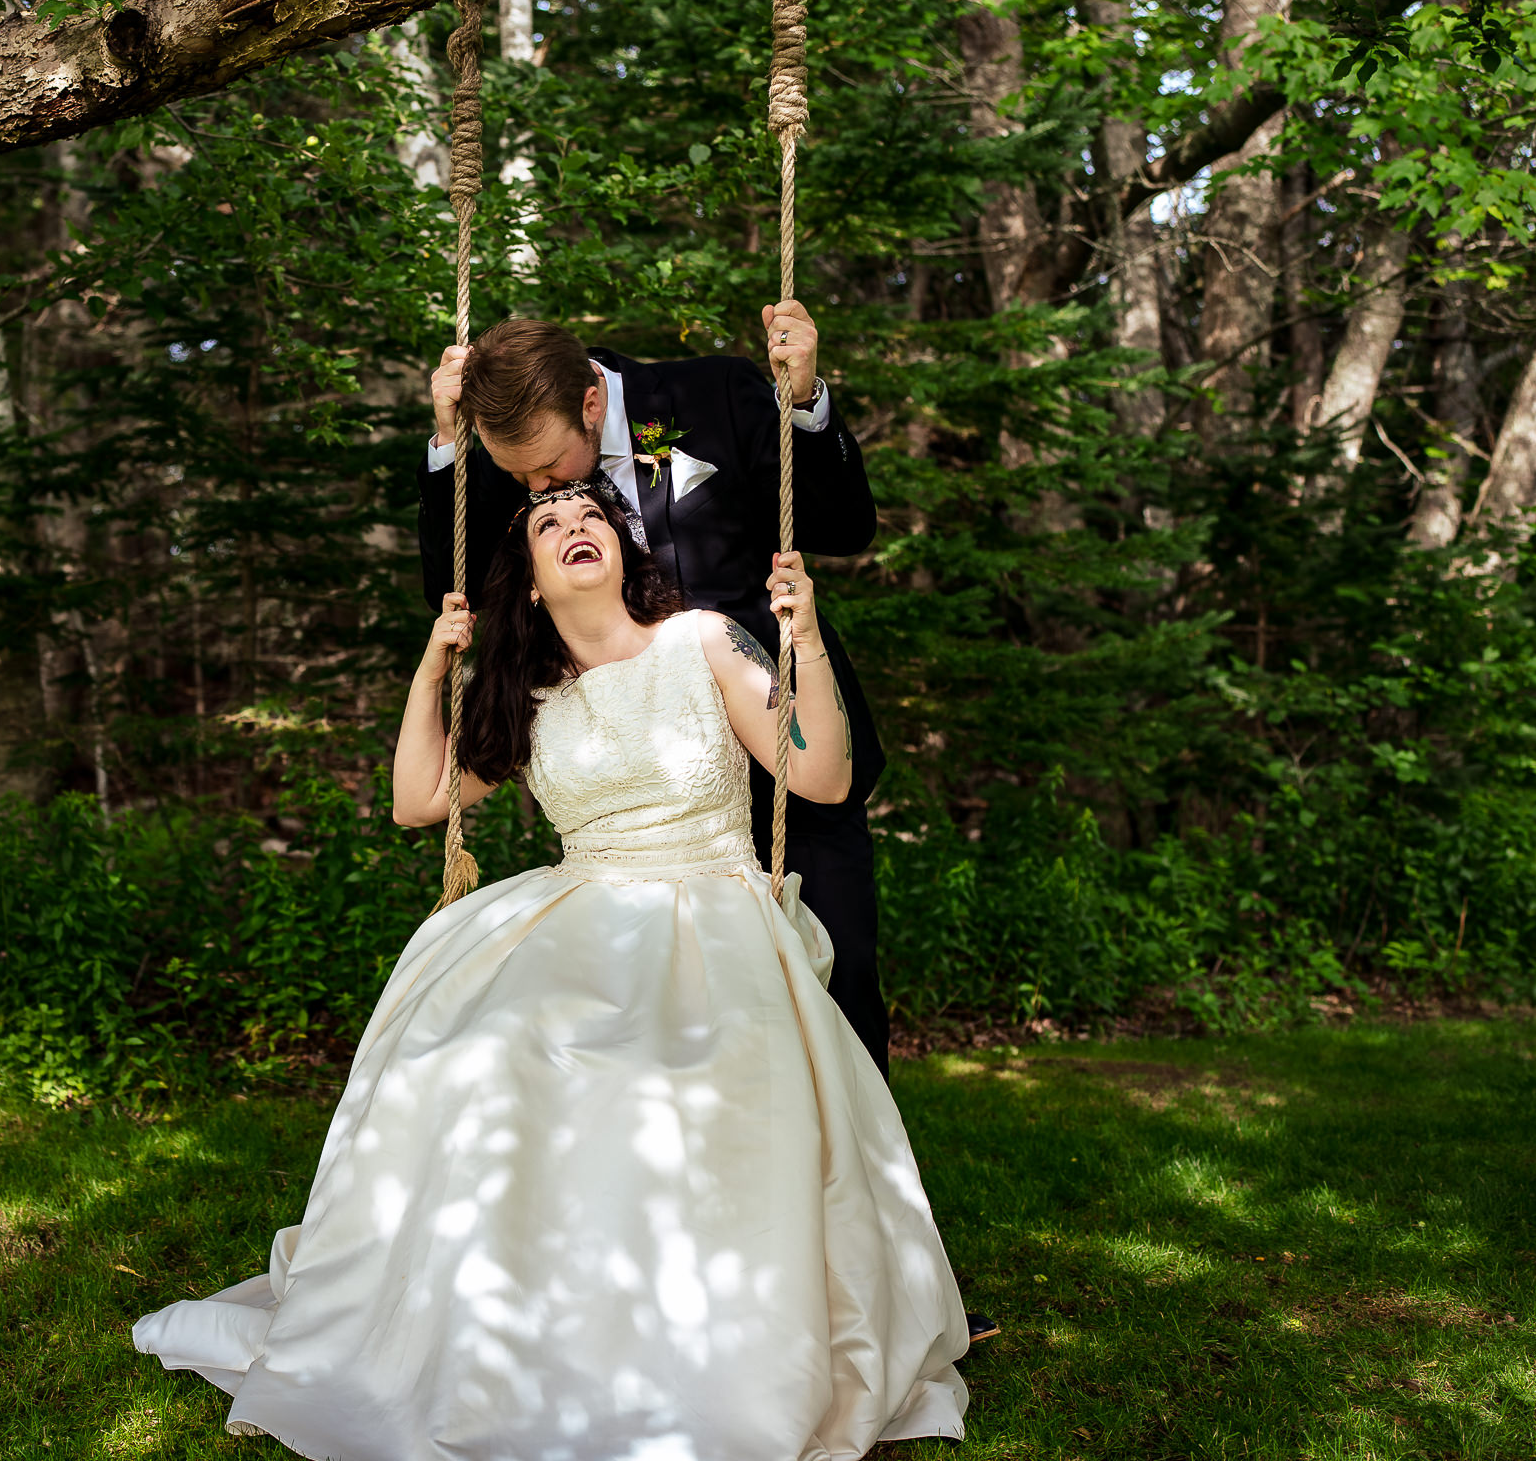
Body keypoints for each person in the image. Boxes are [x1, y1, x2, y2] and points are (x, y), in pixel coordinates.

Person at [133, 477, 970, 1459]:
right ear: (529, 581)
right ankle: (509, 1326)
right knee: (487, 1048)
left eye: (593, 519)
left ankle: (694, 1344)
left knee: (668, 1071)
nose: (577, 529)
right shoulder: (527, 695)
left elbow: (819, 773)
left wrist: (809, 636)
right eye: (550, 523)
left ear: (623, 546)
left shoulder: (702, 639)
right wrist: (432, 661)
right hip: (582, 912)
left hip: (715, 909)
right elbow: (418, 800)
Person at [415, 305, 897, 1084]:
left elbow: (844, 524)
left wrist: (805, 404)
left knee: (834, 976)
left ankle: (857, 1185)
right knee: (656, 1030)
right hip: (638, 788)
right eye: (520, 480)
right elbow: (456, 591)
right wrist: (447, 447)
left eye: (546, 468)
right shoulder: (511, 450)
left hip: (782, 752)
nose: (539, 490)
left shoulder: (715, 393)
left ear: (592, 405)